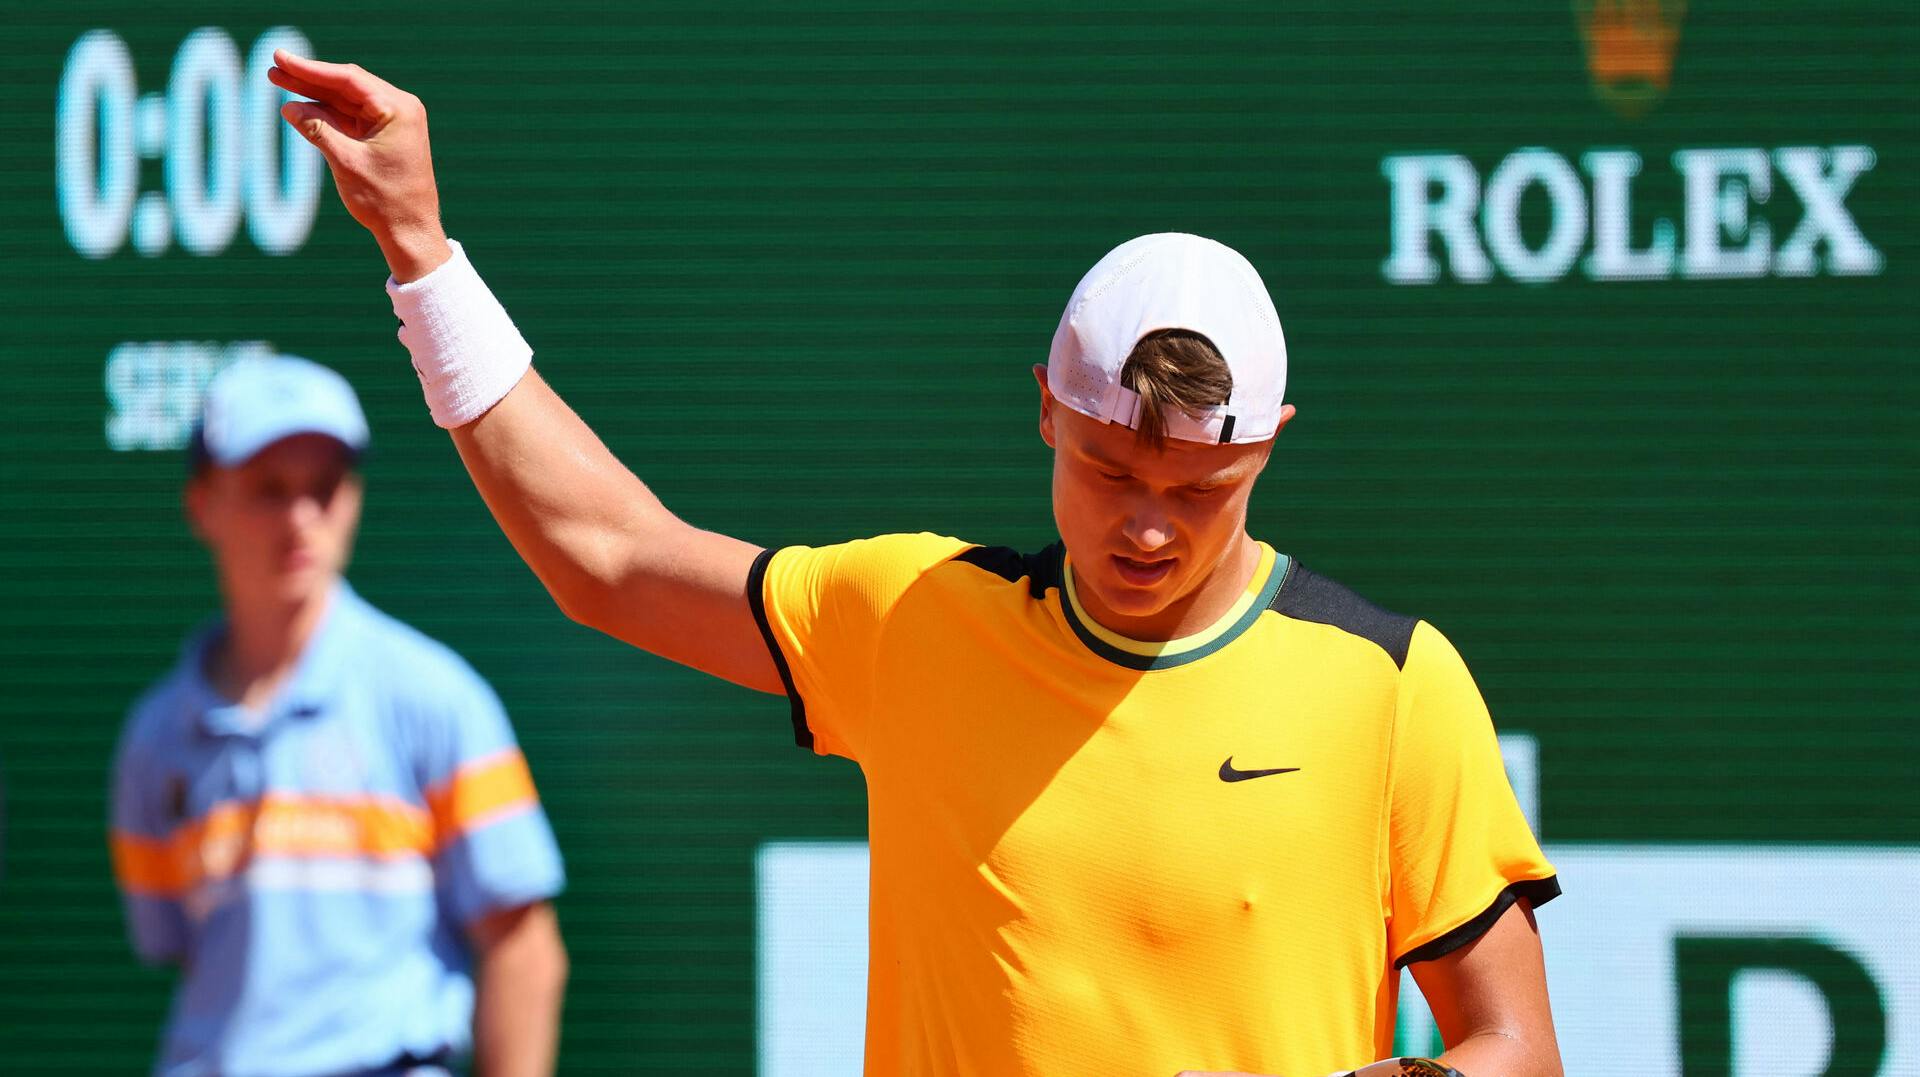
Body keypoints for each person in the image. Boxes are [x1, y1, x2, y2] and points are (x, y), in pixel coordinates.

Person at [267, 52, 1562, 1077]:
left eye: (1200, 490)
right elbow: (606, 556)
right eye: (1112, 472)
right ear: (1046, 412)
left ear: (1271, 451)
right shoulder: (920, 619)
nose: (1150, 525)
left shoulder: (1393, 685)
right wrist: (423, 255)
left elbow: (1518, 1049)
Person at [109, 354, 569, 1077]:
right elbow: (181, 945)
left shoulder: (434, 696)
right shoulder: (155, 736)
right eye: (269, 489)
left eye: (324, 489)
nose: (300, 518)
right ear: (203, 505)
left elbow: (523, 944)